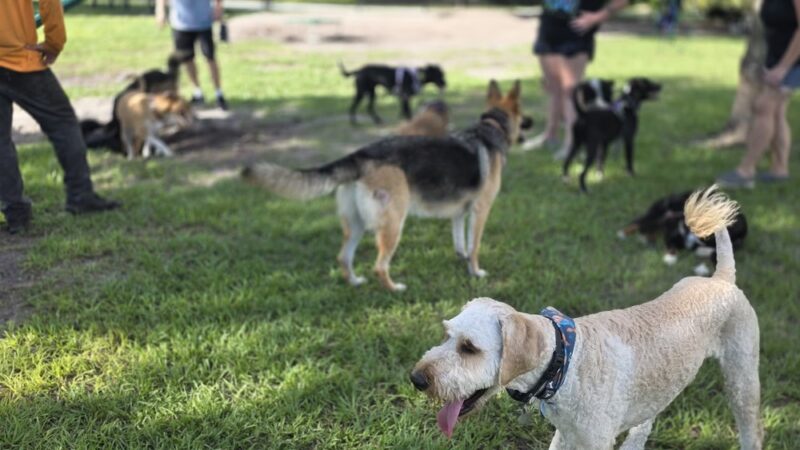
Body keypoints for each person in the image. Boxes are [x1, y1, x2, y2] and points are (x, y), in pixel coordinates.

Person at [0, 0, 120, 235]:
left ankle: (16, 214)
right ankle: (81, 195)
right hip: (20, 59)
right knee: (63, 123)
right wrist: (54, 44)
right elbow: (49, 3)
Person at [523, 0, 629, 158]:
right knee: (553, 88)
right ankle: (550, 136)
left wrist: (597, 17)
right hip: (549, 29)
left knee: (570, 91)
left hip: (576, 35)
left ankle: (572, 143)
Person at [718, 0, 800, 188]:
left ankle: (746, 170)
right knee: (777, 112)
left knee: (763, 106)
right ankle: (780, 169)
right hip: (778, 57)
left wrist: (783, 68)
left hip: (793, 62)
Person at [156, 0, 228, 111]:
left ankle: (219, 93)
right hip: (181, 23)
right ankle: (197, 92)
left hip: (204, 22)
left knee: (210, 58)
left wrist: (218, 8)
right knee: (187, 59)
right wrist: (160, 11)